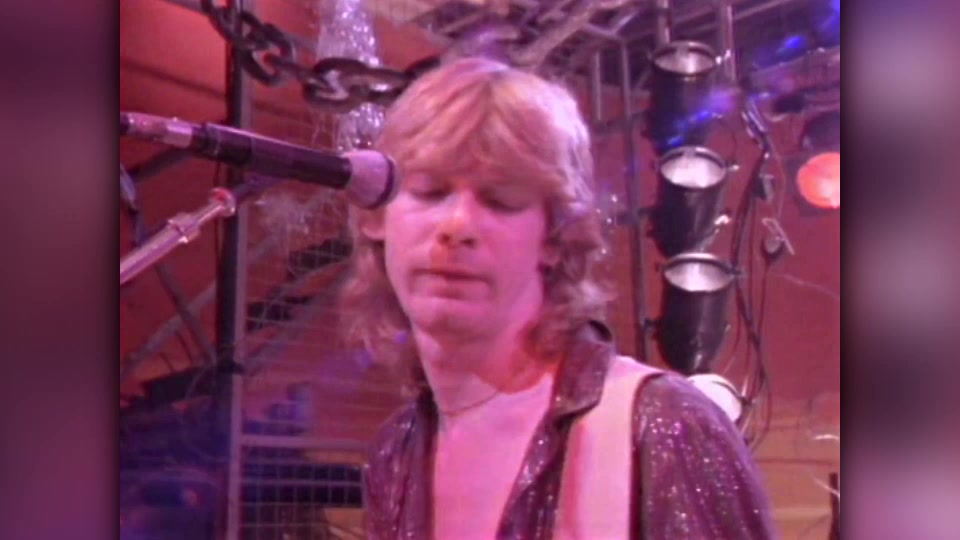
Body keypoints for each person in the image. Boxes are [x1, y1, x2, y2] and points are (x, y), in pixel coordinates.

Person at [341, 56, 777, 539]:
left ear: (554, 236)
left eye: (501, 201)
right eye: (429, 191)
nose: (457, 225)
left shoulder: (666, 428)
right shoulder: (396, 453)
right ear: (375, 217)